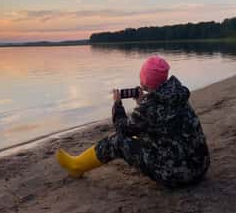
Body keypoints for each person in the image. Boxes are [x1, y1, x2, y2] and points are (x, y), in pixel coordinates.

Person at [56, 55, 210, 188]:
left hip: (175, 176)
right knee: (141, 134)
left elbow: (122, 129)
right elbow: (160, 121)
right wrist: (142, 103)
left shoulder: (149, 108)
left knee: (117, 141)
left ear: (145, 83)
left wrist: (117, 105)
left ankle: (76, 166)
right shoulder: (178, 96)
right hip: (200, 167)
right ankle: (77, 164)